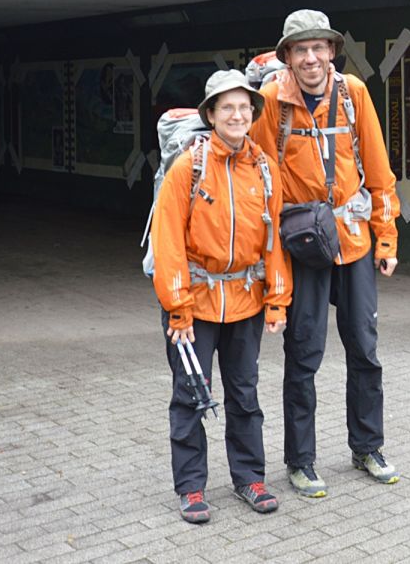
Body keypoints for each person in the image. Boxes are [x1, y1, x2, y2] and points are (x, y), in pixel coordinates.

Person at [250, 9, 401, 499]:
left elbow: (378, 170)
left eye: (319, 47)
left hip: (354, 241)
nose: (311, 57)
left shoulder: (354, 94)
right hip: (305, 247)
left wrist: (387, 238)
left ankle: (367, 447)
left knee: (365, 349)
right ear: (288, 57)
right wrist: (271, 265)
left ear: (331, 51)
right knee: (304, 353)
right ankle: (302, 460)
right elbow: (263, 185)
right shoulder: (272, 101)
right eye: (301, 49)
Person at [149, 69, 291, 524]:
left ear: (253, 115)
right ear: (210, 114)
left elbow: (274, 241)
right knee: (191, 394)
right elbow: (168, 239)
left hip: (247, 302)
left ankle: (250, 477)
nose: (236, 115)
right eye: (226, 107)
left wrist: (277, 300)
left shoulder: (265, 169)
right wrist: (178, 308)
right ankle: (191, 487)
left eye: (243, 108)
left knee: (245, 394)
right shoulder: (187, 166)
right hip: (194, 305)